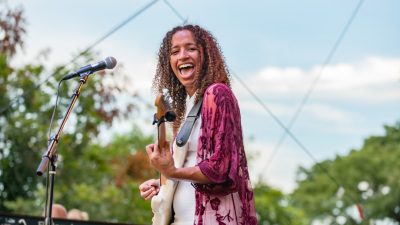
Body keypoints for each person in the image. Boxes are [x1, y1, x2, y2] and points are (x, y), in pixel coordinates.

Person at [139, 24, 257, 225]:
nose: (182, 55)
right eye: (175, 51)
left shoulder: (217, 94)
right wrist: (166, 184)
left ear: (206, 55)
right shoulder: (188, 108)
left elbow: (220, 167)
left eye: (191, 48)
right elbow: (191, 167)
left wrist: (171, 172)